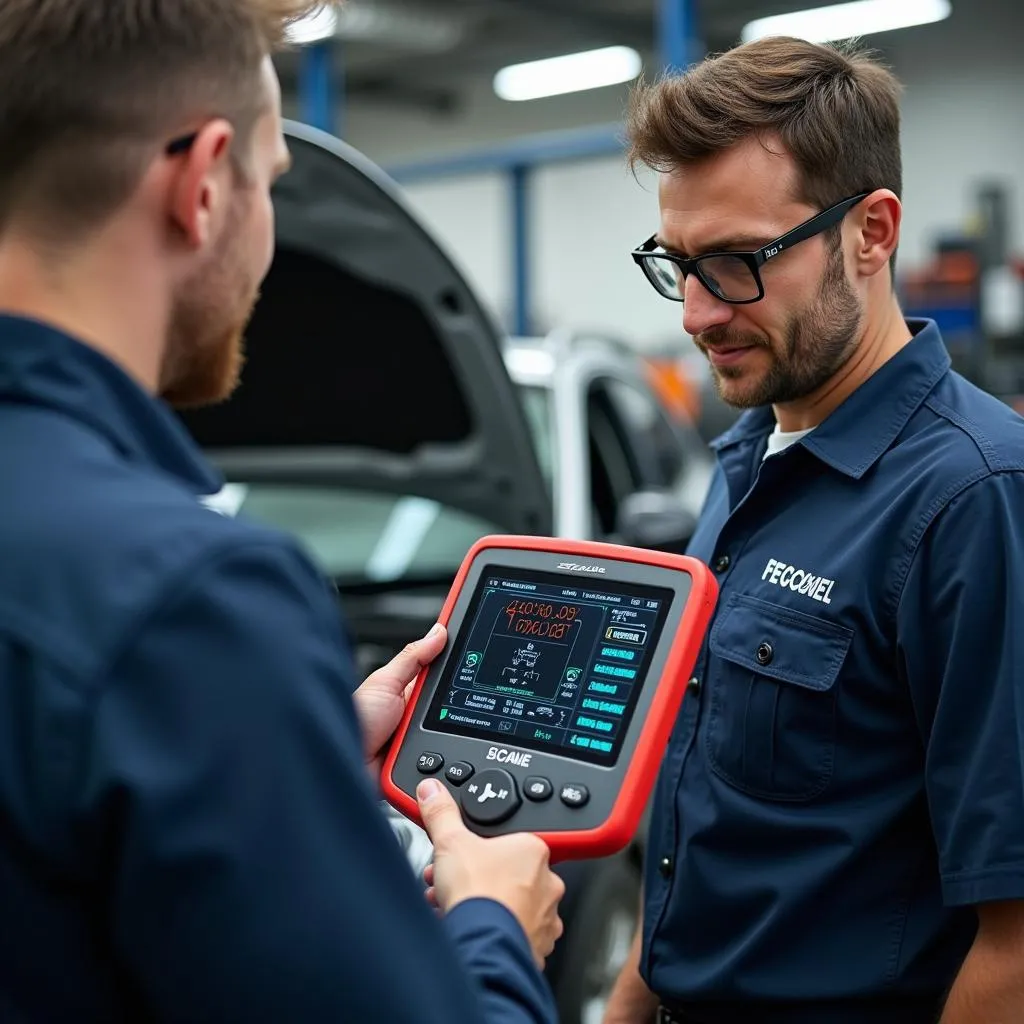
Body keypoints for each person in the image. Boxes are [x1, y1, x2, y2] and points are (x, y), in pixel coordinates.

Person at [0, 2, 564, 1022]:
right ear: (204, 183)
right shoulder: (190, 603)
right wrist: (494, 927)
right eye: (271, 182)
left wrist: (281, 741)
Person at [605, 36, 1024, 1024]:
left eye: (739, 262)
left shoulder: (975, 499)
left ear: (871, 232)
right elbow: (698, 836)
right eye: (678, 266)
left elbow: (1013, 950)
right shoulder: (747, 459)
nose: (698, 313)